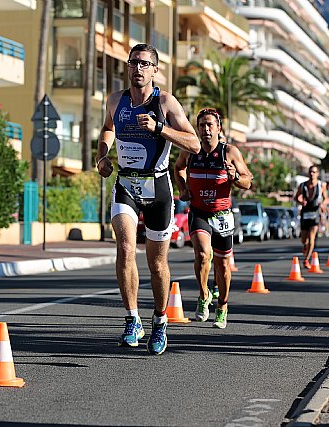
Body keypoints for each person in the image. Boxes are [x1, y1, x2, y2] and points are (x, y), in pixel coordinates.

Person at [95, 44, 200, 355]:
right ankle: (132, 319)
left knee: (157, 263)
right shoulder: (116, 100)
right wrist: (102, 156)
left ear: (155, 70)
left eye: (144, 64)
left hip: (158, 188)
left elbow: (194, 143)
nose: (137, 68)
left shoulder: (165, 102)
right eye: (133, 63)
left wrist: (160, 128)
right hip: (126, 183)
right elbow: (107, 129)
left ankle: (159, 320)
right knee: (126, 247)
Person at [173, 108, 253, 329]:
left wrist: (235, 177)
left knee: (223, 266)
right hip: (199, 212)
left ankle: (222, 306)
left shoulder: (230, 153)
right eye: (201, 125)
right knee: (201, 253)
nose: (205, 129)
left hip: (223, 215)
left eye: (209, 125)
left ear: (218, 128)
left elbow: (248, 180)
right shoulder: (190, 151)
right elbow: (178, 168)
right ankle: (203, 294)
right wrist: (183, 189)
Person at [294, 165, 328, 269]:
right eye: (310, 172)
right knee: (304, 239)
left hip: (315, 213)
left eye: (314, 172)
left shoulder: (321, 185)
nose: (312, 174)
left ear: (317, 174)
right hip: (305, 213)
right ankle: (305, 245)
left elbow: (326, 198)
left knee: (312, 236)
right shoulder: (302, 185)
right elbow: (296, 197)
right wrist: (300, 201)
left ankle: (306, 260)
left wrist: (322, 204)